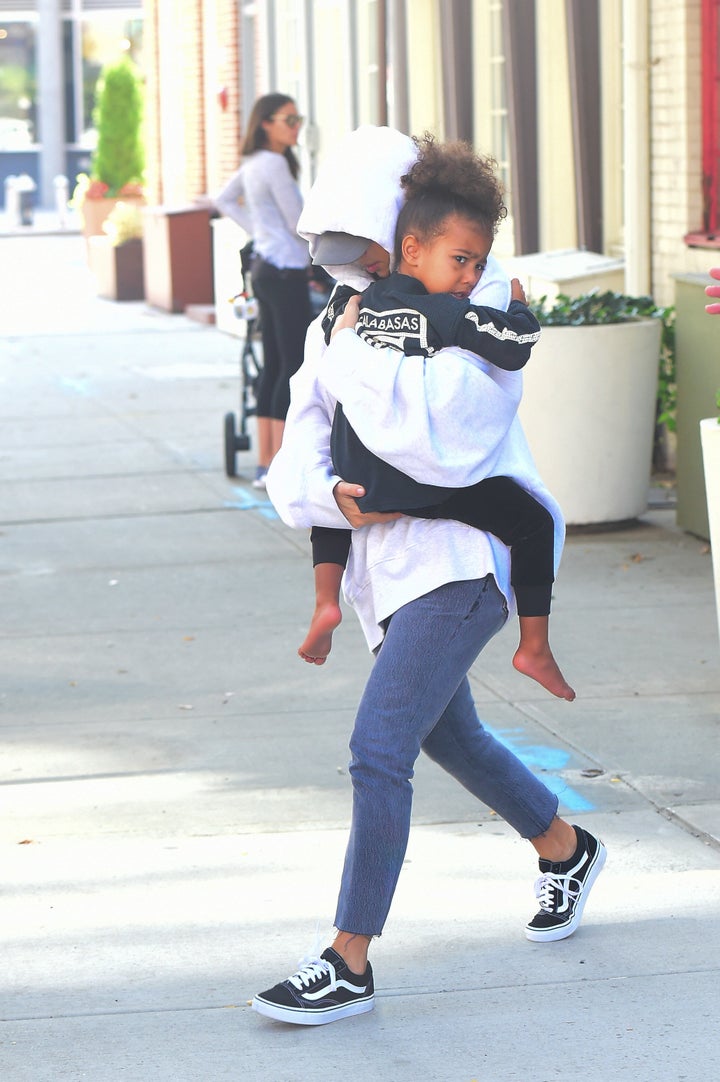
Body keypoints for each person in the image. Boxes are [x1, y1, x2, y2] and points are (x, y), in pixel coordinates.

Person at [255, 126, 606, 1026]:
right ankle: (564, 847)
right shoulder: (346, 310)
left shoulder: (476, 295)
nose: (357, 259)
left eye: (363, 239)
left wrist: (359, 351)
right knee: (450, 736)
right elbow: (297, 455)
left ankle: (349, 959)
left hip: (465, 563)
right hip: (392, 572)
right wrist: (333, 492)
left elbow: (442, 442)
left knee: (380, 750)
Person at [297, 136, 574, 702]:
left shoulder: (344, 315)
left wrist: (349, 360)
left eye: (370, 249)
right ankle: (536, 645)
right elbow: (512, 346)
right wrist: (518, 311)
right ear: (413, 244)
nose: (470, 274)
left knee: (335, 493)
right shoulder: (449, 302)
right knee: (532, 521)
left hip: (387, 509)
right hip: (425, 493)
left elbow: (328, 417)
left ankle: (324, 600)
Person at [214, 93, 312, 489]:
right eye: (288, 119)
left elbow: (224, 200)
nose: (296, 126)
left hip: (264, 269)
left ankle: (266, 462)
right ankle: (279, 463)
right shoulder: (272, 164)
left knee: (273, 363)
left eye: (297, 118)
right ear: (266, 123)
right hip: (286, 270)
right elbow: (297, 223)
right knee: (293, 366)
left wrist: (260, 234)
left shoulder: (255, 163)